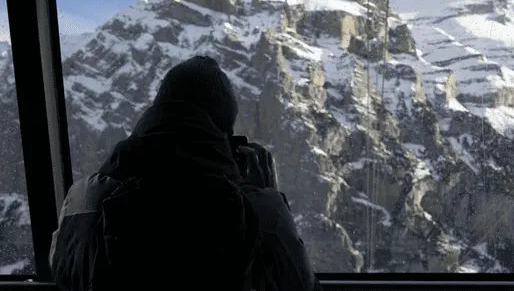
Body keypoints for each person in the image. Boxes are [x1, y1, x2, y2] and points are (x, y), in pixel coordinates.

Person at [49, 56, 321, 291]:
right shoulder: (257, 210)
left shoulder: (86, 198)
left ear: (152, 116)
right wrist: (266, 197)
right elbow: (298, 284)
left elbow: (66, 274)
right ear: (224, 138)